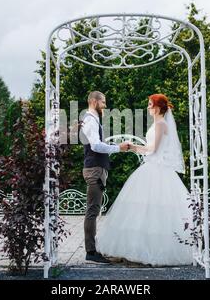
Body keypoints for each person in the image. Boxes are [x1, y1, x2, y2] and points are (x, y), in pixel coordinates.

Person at [95, 94, 193, 266]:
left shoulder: (161, 124)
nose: (148, 107)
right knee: (141, 210)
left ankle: (153, 251)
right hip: (152, 167)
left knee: (153, 211)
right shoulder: (158, 124)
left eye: (150, 104)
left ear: (157, 107)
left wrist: (133, 147)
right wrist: (134, 148)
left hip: (157, 170)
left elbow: (153, 149)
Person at [80, 91, 129, 263]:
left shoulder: (93, 119)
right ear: (94, 101)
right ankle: (91, 252)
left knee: (94, 209)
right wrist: (118, 148)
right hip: (94, 170)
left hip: (96, 169)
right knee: (92, 210)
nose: (105, 105)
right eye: (103, 102)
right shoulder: (91, 120)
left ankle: (92, 249)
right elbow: (95, 146)